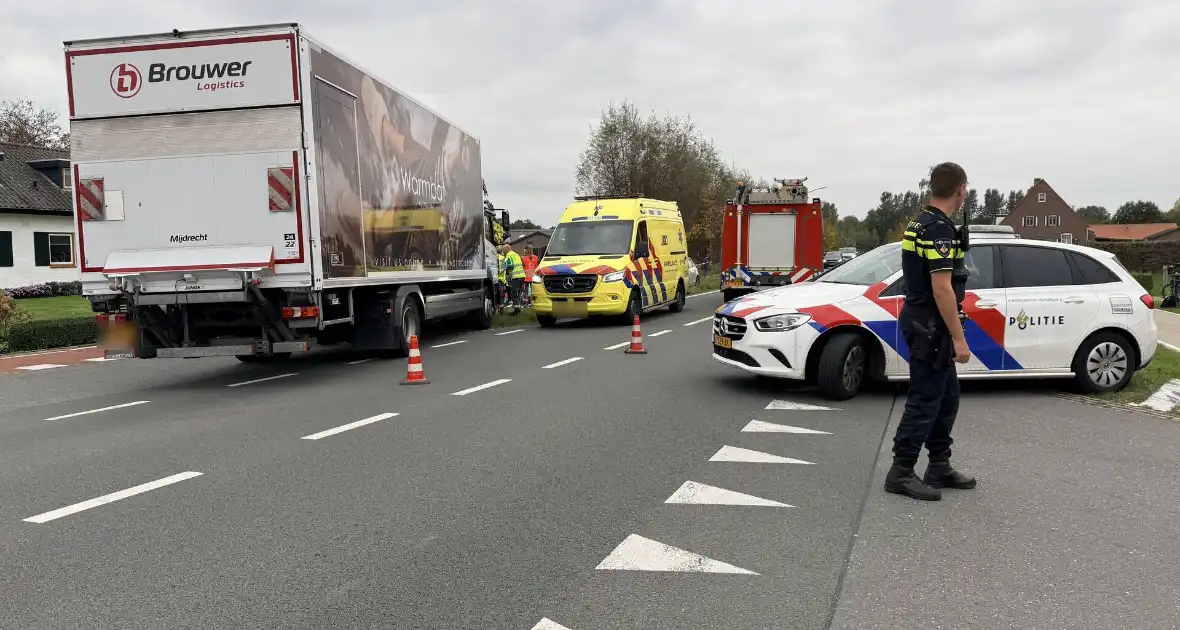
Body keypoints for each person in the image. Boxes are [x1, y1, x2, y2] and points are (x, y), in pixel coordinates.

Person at [885, 162, 978, 502]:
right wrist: (958, 337)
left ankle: (939, 465)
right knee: (925, 399)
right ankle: (901, 471)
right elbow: (942, 289)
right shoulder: (938, 230)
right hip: (930, 326)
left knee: (946, 397)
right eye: (965, 188)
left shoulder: (921, 222)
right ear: (960, 189)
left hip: (925, 322)